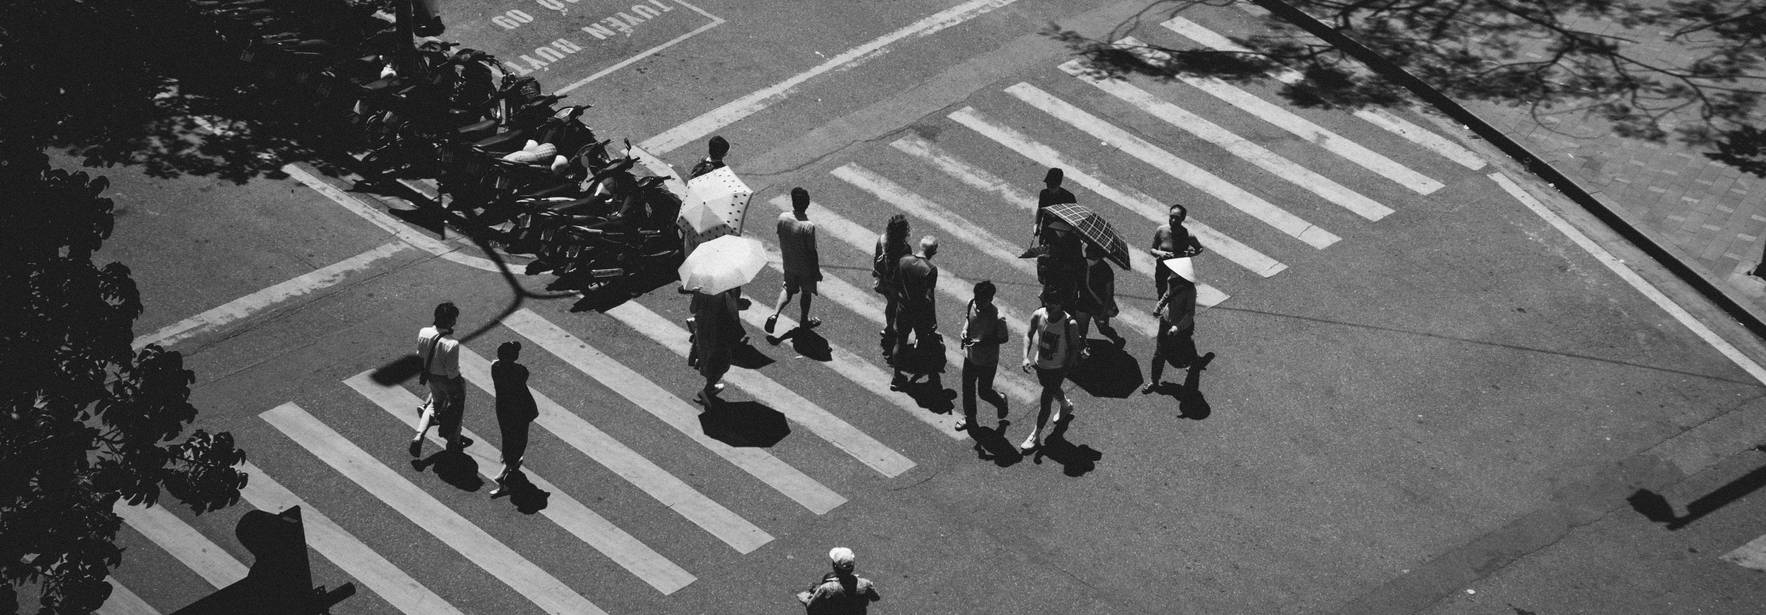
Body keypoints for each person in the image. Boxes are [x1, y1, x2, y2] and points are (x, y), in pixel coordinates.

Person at [1020, 289, 1080, 452]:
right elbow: (1028, 334)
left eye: (1053, 304)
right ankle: (1065, 405)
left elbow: (1074, 349)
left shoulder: (1070, 324)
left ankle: (1035, 435)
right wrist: (1025, 357)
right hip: (1041, 365)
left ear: (1061, 304)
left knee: (1045, 400)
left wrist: (1065, 370)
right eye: (1047, 303)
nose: (1049, 306)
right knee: (1051, 388)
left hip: (1057, 369)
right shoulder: (1038, 315)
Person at [412, 302, 468, 457]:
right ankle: (453, 442)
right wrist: (459, 385)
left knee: (434, 404)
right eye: (454, 319)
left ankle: (419, 435)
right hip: (448, 381)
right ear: (451, 321)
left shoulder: (424, 332)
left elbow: (419, 356)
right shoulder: (452, 343)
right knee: (456, 409)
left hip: (431, 377)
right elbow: (452, 372)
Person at [767, 187, 823, 334]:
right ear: (807, 203)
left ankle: (775, 314)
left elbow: (780, 235)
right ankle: (804, 320)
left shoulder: (783, 218)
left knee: (787, 289)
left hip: (789, 263)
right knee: (806, 293)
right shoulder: (808, 226)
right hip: (805, 268)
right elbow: (812, 252)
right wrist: (816, 271)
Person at [489, 341, 538, 497]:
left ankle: (509, 461)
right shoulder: (520, 371)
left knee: (507, 436)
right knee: (520, 438)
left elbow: (497, 362)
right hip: (519, 409)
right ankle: (504, 475)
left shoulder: (495, 368)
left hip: (503, 409)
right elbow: (523, 376)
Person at [890, 236, 939, 390]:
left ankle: (896, 377)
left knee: (900, 341)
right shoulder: (930, 269)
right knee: (923, 341)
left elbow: (895, 284)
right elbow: (929, 298)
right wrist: (932, 319)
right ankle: (925, 373)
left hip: (903, 308)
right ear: (934, 251)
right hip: (920, 312)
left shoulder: (903, 260)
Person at [958, 280, 1008, 431]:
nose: (978, 304)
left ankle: (1000, 400)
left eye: (982, 301)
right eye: (977, 299)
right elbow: (968, 319)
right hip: (970, 357)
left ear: (991, 299)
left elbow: (1004, 338)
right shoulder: (971, 303)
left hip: (987, 362)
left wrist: (983, 341)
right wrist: (964, 330)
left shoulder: (998, 317)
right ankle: (970, 419)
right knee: (967, 389)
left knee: (984, 392)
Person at [1145, 258, 1199, 394]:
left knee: (1184, 349)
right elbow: (1167, 295)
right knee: (1159, 352)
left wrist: (1177, 327)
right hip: (1166, 321)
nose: (1170, 271)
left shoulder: (1190, 290)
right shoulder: (1171, 280)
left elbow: (1190, 313)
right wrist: (1159, 307)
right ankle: (1154, 381)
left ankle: (1193, 360)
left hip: (1181, 327)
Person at [690, 287, 743, 403]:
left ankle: (710, 386)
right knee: (720, 361)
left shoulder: (701, 290)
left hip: (703, 329)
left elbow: (692, 309)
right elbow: (733, 314)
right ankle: (708, 390)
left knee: (706, 356)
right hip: (719, 331)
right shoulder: (726, 293)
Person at [795, 547, 881, 614]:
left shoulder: (827, 588)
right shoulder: (865, 583)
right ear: (852, 567)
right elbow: (876, 598)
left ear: (835, 567)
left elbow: (811, 606)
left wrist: (807, 598)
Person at [872, 214, 912, 358]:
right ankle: (891, 329)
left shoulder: (881, 239)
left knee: (890, 303)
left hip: (883, 280)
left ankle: (889, 327)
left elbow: (876, 258)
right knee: (894, 305)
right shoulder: (905, 248)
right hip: (896, 283)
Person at [1074, 243, 1123, 359]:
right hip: (1083, 303)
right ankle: (1083, 350)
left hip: (1099, 306)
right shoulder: (1082, 264)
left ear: (1098, 256)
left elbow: (1109, 294)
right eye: (1087, 254)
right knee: (1081, 331)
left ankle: (1117, 339)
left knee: (1103, 329)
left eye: (1091, 256)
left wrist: (1103, 314)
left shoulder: (1106, 270)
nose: (1088, 257)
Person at [1148, 203, 1204, 299]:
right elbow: (1153, 249)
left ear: (1183, 219)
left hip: (1178, 272)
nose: (1173, 220)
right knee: (1161, 295)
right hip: (1162, 270)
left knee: (1176, 298)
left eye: (1177, 218)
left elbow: (1199, 249)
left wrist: (1188, 254)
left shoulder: (1188, 235)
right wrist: (1160, 253)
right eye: (1171, 217)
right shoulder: (1161, 230)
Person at [1031, 167, 1077, 240]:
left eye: (1052, 186)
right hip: (1046, 231)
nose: (1049, 188)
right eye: (1048, 185)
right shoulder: (1044, 194)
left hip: (1062, 236)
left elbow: (1073, 219)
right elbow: (1040, 210)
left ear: (1059, 184)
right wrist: (1036, 224)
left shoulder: (1069, 198)